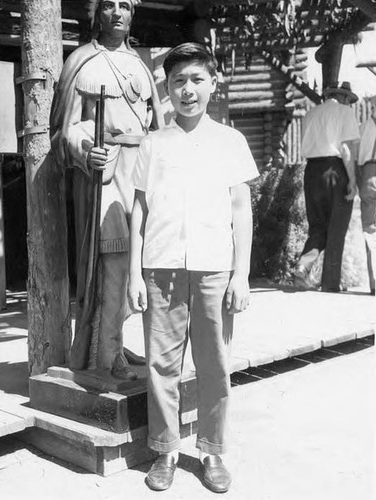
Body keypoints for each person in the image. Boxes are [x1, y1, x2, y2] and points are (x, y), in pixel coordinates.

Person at [128, 43, 258, 493]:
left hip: (214, 269)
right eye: (179, 81)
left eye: (197, 80)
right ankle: (165, 450)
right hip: (160, 269)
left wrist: (241, 274)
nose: (188, 90)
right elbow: (139, 213)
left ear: (213, 85)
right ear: (167, 89)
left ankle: (211, 451)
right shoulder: (153, 143)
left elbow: (241, 210)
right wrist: (133, 275)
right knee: (161, 366)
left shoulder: (231, 142)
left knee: (214, 365)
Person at [50, 0, 163, 379]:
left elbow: (154, 128)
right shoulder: (81, 61)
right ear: (96, 14)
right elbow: (63, 131)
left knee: (145, 263)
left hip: (142, 171)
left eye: (125, 6)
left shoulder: (141, 66)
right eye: (109, 5)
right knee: (114, 263)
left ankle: (120, 343)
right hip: (107, 174)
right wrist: (86, 150)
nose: (117, 12)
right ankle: (105, 355)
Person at [293, 81, 360, 292]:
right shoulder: (345, 113)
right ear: (344, 97)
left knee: (318, 225)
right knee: (337, 228)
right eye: (349, 100)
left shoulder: (311, 113)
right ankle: (330, 284)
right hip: (335, 169)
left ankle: (303, 266)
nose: (349, 103)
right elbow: (347, 149)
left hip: (312, 170)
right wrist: (352, 179)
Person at [356, 94, 376, 296]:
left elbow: (357, 158)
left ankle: (375, 282)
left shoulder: (364, 127)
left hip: (369, 175)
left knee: (371, 230)